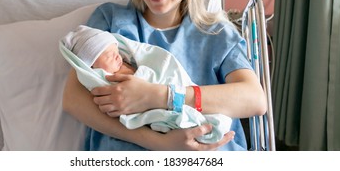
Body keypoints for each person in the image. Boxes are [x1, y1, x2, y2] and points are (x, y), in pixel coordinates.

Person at [62, 0, 267, 151]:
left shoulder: (217, 33)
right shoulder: (111, 21)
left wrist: (161, 96)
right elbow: (73, 99)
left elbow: (254, 99)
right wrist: (158, 142)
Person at [60, 25, 232, 144]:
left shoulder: (221, 32)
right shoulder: (106, 77)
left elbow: (161, 67)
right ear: (91, 66)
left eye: (116, 50)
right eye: (109, 56)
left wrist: (157, 94)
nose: (118, 56)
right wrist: (161, 143)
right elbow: (72, 100)